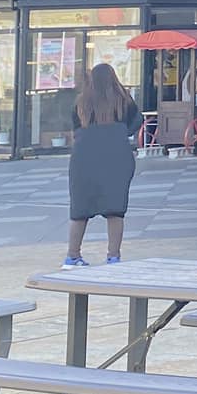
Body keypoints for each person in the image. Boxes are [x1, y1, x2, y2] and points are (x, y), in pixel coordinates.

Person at [65, 63, 141, 267]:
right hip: (116, 157)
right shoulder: (123, 100)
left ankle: (72, 256)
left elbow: (75, 128)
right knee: (115, 209)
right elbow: (136, 122)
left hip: (84, 158)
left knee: (79, 210)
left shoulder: (81, 102)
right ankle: (113, 256)